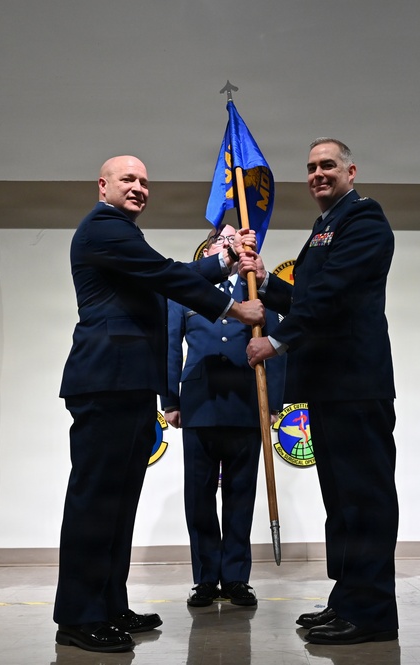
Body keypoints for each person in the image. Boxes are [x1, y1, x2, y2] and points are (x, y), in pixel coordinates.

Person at [54, 155, 265, 654]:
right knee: (95, 503)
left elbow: (164, 277)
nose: (139, 187)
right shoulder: (104, 226)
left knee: (118, 505)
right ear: (102, 186)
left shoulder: (121, 234)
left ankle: (109, 604)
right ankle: (80, 618)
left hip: (126, 385)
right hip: (104, 382)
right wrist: (234, 303)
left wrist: (224, 260)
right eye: (128, 179)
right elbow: (165, 275)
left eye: (145, 181)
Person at [241, 138, 399, 646]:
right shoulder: (324, 228)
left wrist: (278, 340)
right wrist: (266, 283)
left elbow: (334, 296)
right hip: (330, 385)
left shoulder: (365, 220)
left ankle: (373, 611)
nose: (317, 174)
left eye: (327, 165)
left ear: (351, 170)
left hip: (356, 383)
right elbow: (307, 296)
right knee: (342, 501)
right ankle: (349, 598)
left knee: (366, 499)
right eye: (310, 168)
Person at [161, 223, 286, 609]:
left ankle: (234, 577)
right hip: (199, 403)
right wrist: (170, 401)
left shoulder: (255, 292)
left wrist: (275, 404)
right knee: (198, 496)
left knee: (240, 495)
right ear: (211, 248)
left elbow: (277, 344)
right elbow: (169, 346)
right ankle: (204, 579)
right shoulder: (187, 292)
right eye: (224, 240)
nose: (231, 244)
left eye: (237, 239)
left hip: (247, 404)